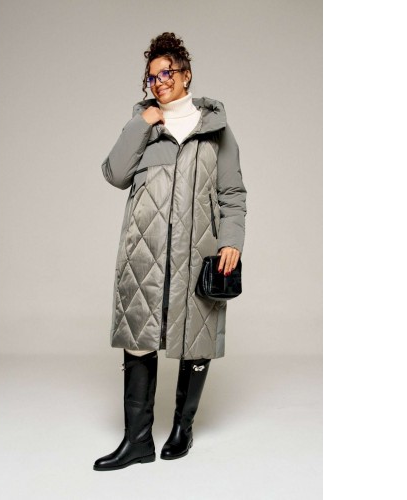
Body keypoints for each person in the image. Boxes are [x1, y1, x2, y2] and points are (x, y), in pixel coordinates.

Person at [94, 32, 247, 471]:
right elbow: (115, 174)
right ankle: (136, 441)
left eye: (167, 73)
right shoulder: (144, 125)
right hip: (144, 254)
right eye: (152, 76)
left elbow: (233, 192)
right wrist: (142, 122)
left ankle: (183, 428)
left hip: (197, 253)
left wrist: (231, 240)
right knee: (138, 339)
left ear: (186, 74)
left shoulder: (215, 130)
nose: (159, 82)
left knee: (195, 336)